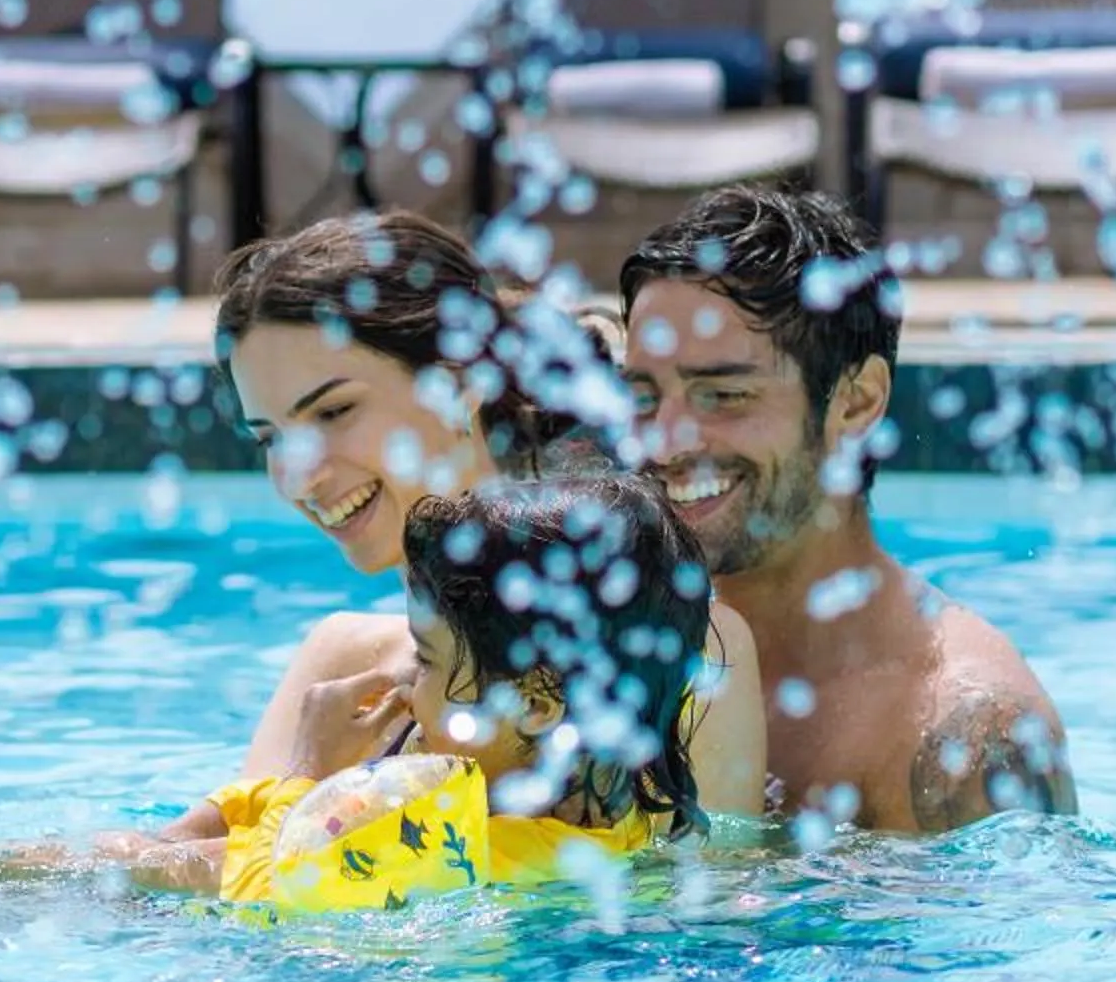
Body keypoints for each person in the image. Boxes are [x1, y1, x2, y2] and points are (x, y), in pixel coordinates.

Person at [215, 211, 767, 822]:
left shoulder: (676, 653)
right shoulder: (340, 664)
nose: (298, 476)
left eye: (333, 412)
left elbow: (712, 882)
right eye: (269, 438)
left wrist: (306, 786)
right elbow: (199, 866)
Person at [618, 184, 1075, 833]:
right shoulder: (615, 653)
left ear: (857, 403)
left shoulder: (961, 738)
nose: (664, 444)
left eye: (723, 396)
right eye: (642, 397)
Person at [137, 476, 712, 909]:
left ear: (535, 704)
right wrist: (186, 831)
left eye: (427, 661)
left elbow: (271, 892)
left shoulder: (475, 852)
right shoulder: (585, 815)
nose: (408, 687)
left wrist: (306, 771)